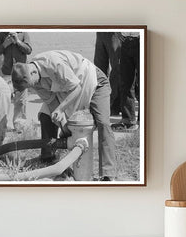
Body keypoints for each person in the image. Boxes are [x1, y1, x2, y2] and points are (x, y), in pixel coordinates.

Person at [11, 50, 116, 181]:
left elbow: (76, 88)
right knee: (46, 116)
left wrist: (61, 110)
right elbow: (51, 103)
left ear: (32, 72)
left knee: (103, 123)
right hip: (68, 90)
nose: (33, 87)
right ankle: (49, 158)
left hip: (93, 81)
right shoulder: (34, 79)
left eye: (30, 85)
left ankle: (108, 173)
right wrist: (63, 124)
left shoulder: (54, 64)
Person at [0, 32, 32, 129]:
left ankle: (19, 126)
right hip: (7, 73)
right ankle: (1, 125)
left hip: (21, 73)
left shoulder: (23, 33)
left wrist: (18, 42)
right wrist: (4, 44)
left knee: (20, 101)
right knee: (3, 99)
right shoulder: (2, 34)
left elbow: (29, 50)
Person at [111, 32, 140, 131]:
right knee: (125, 81)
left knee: (142, 83)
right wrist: (117, 30)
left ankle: (142, 120)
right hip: (125, 40)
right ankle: (128, 120)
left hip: (141, 39)